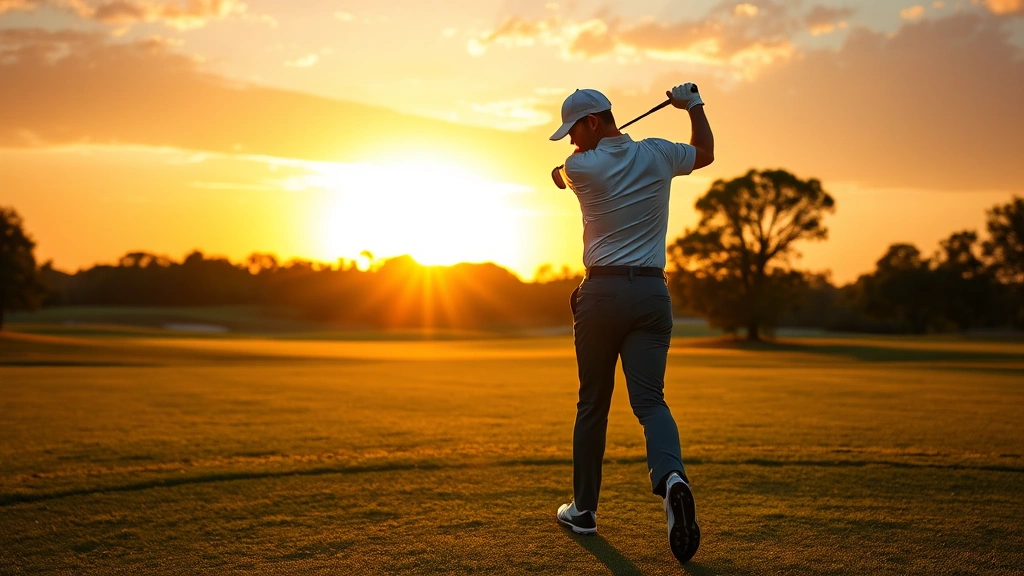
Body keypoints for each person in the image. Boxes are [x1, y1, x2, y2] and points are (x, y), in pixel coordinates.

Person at [550, 84, 714, 565]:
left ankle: (583, 511)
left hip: (600, 295)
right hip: (651, 294)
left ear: (594, 123)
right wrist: (693, 106)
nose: (571, 143)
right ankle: (672, 481)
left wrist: (558, 172)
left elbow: (562, 173)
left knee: (592, 404)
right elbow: (704, 153)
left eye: (574, 131)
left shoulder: (580, 167)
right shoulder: (660, 153)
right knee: (650, 402)